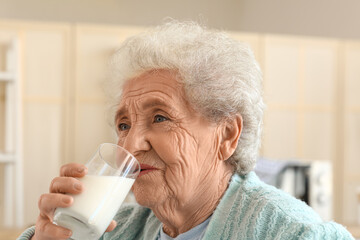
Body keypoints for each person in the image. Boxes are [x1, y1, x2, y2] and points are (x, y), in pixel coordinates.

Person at [18, 20, 354, 240]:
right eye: (123, 124)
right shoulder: (111, 230)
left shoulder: (290, 233)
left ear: (226, 136)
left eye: (160, 117)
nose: (131, 143)